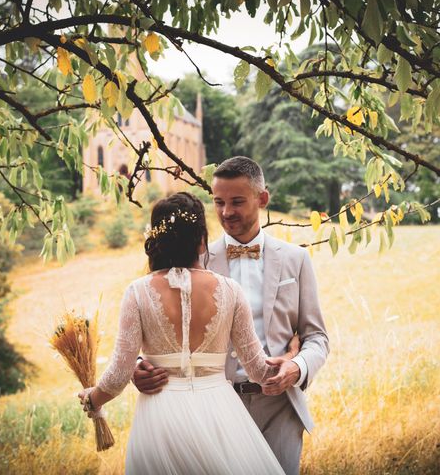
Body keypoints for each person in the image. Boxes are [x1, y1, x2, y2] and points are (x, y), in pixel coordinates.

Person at [133, 156, 330, 475]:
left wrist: (297, 366)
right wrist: (139, 367)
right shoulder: (193, 259)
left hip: (281, 407)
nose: (226, 213)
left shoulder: (296, 260)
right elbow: (161, 323)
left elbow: (317, 337)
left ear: (262, 198)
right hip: (213, 408)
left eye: (237, 201)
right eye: (219, 202)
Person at [77, 191, 289, 474]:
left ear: (156, 238)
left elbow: (118, 374)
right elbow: (260, 371)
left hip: (161, 416)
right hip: (220, 413)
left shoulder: (138, 291)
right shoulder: (230, 290)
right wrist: (293, 354)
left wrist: (93, 399)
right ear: (201, 241)